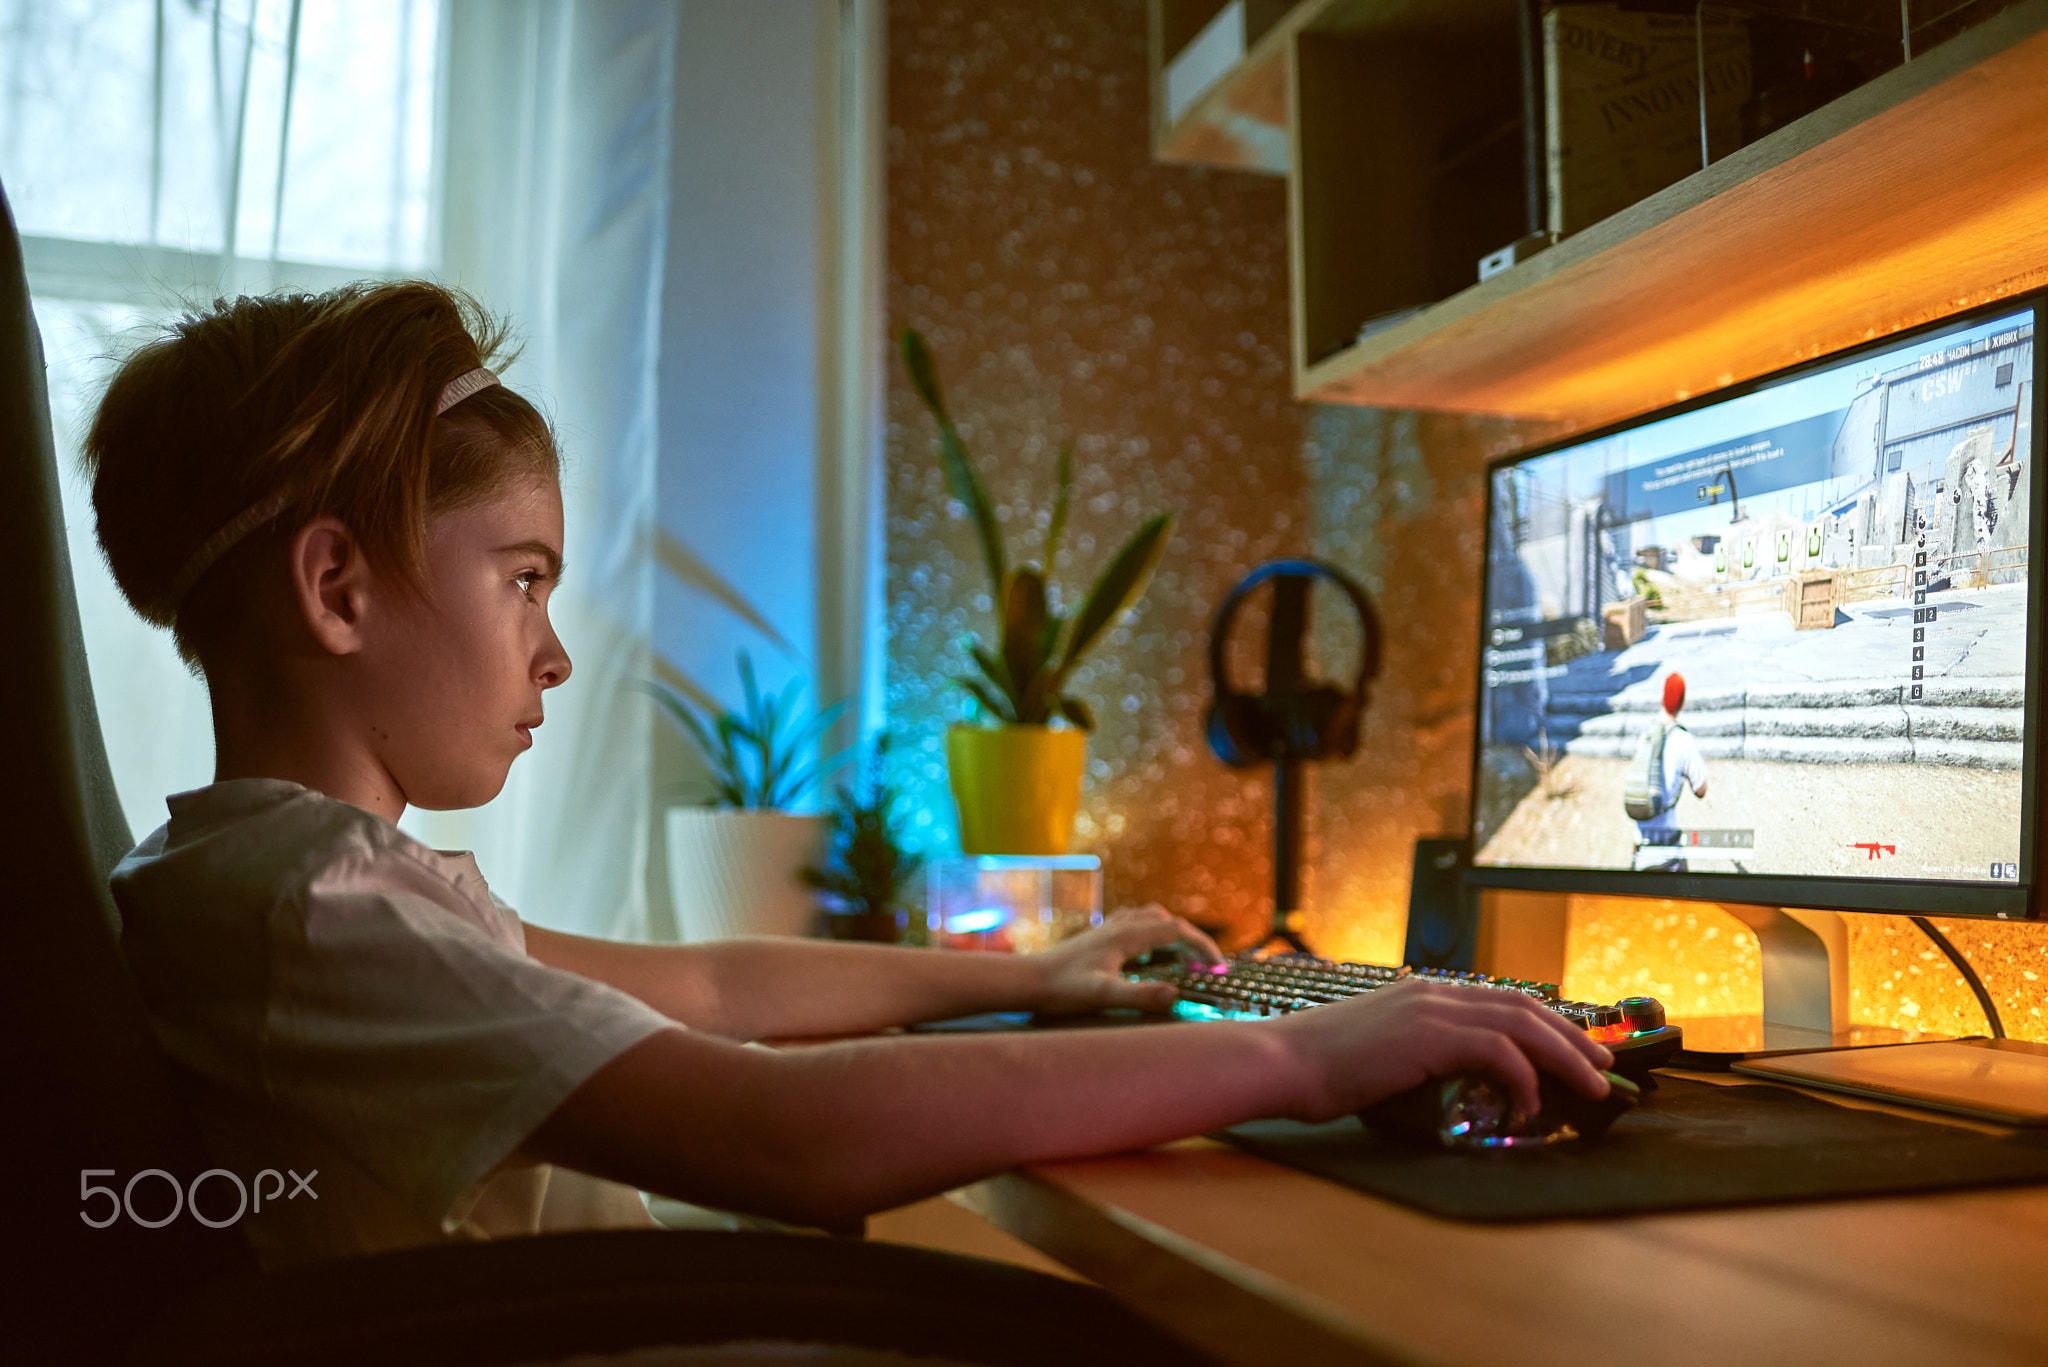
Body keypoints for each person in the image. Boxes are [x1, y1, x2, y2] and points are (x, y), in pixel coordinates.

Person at [90, 282, 1612, 1271]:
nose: (553, 654)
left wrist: (1032, 973)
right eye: (524, 579)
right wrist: (1303, 1057)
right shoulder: (313, 908)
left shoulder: (297, 888)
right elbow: (781, 1134)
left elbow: (691, 984)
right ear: (338, 588)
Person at [1630, 671, 1709, 872]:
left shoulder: (1645, 735)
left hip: (1640, 851)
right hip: (1668, 857)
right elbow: (1701, 790)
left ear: (1662, 698)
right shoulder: (1682, 740)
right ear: (1681, 702)